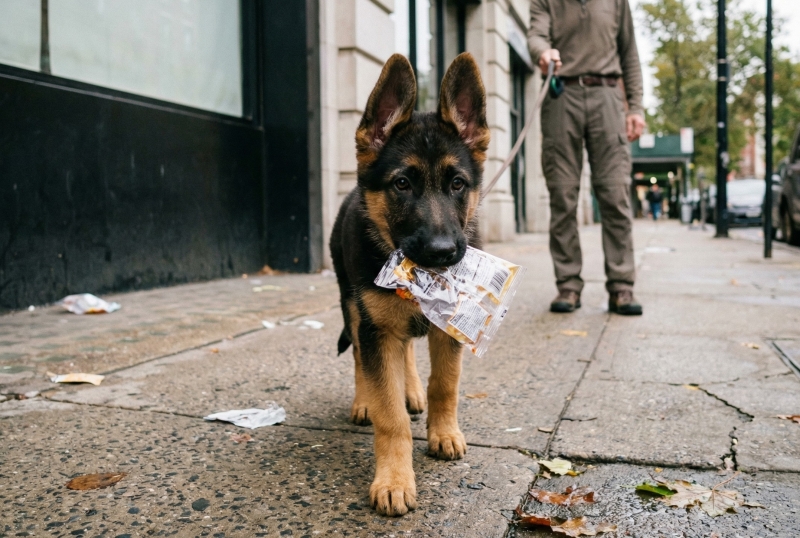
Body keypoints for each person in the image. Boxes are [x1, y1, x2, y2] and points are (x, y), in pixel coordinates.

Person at [529, 0, 645, 316]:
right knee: (562, 195)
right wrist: (543, 52)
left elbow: (630, 53)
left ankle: (622, 285)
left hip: (607, 96)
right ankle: (568, 284)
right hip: (561, 97)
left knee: (615, 192)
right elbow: (536, 35)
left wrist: (635, 107)